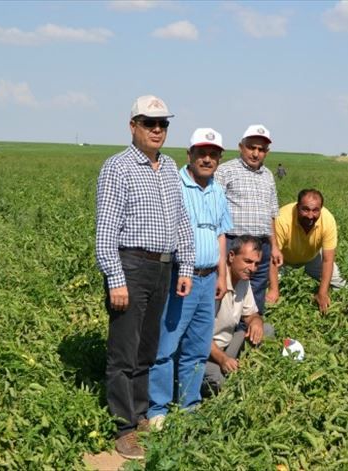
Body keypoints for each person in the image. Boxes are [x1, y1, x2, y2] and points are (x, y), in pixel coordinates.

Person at [95, 95, 194, 459]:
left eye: (163, 124)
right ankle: (123, 427)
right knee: (125, 349)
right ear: (132, 125)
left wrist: (184, 267)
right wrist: (115, 278)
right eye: (149, 122)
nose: (157, 130)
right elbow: (105, 230)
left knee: (146, 349)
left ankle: (139, 417)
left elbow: (182, 222)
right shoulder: (118, 167)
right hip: (132, 266)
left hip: (163, 267)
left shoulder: (168, 166)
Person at [147, 128, 232, 430]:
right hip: (179, 278)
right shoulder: (174, 184)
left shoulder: (218, 190)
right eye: (201, 153)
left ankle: (189, 406)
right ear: (190, 155)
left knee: (196, 349)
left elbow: (221, 234)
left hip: (208, 279)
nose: (207, 159)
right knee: (166, 347)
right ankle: (157, 409)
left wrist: (223, 275)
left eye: (213, 154)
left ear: (219, 159)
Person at [215, 124, 282, 315]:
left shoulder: (268, 175)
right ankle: (224, 333)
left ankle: (250, 331)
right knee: (228, 288)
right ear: (241, 146)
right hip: (233, 242)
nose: (256, 153)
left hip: (262, 244)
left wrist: (275, 246)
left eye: (261, 149)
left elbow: (272, 213)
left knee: (257, 288)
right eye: (251, 147)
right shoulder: (225, 171)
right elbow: (215, 209)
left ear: (266, 152)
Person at [203, 236, 274, 395]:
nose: (253, 268)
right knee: (219, 380)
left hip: (227, 346)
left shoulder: (243, 280)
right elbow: (199, 335)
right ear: (231, 256)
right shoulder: (215, 283)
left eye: (256, 264)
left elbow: (251, 314)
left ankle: (251, 374)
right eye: (248, 261)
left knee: (266, 330)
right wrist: (222, 360)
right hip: (204, 352)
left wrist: (256, 322)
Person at [266, 189, 347, 313]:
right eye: (305, 209)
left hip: (312, 257)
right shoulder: (282, 218)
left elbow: (328, 260)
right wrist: (274, 290)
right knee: (265, 286)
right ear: (297, 207)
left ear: (321, 209)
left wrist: (322, 293)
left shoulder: (328, 220)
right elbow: (273, 257)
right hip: (283, 259)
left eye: (315, 210)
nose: (310, 215)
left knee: (341, 286)